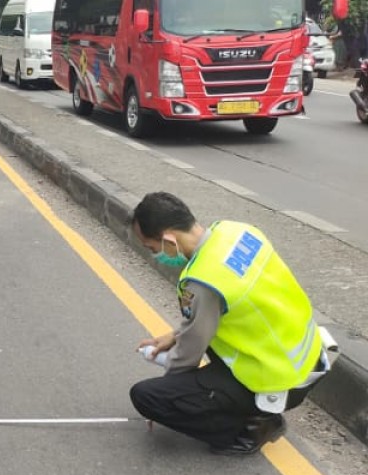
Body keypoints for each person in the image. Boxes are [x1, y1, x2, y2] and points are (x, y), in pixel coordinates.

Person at [128, 192, 331, 456]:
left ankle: (250, 428)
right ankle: (251, 410)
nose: (156, 255)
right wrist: (176, 335)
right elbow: (230, 304)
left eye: (153, 249)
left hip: (278, 380)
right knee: (204, 342)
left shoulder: (203, 280)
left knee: (146, 396)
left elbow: (187, 357)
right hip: (310, 355)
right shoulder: (237, 232)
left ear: (169, 239)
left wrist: (167, 398)